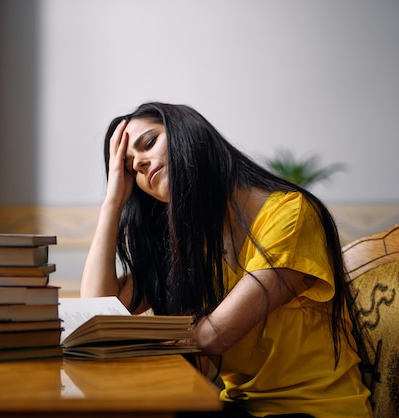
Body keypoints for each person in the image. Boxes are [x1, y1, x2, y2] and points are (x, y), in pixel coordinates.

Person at [81, 102, 373, 418]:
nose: (138, 164)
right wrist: (113, 200)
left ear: (188, 134)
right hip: (242, 407)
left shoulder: (291, 215)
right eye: (127, 166)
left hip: (314, 411)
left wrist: (118, 334)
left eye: (148, 143)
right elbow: (96, 305)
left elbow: (212, 336)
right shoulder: (194, 241)